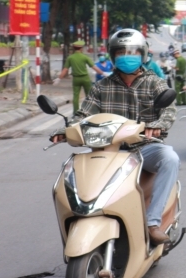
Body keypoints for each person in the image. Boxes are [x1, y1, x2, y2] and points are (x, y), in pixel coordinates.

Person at [51, 29, 178, 245]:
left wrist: (157, 126)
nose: (127, 56)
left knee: (170, 158)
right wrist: (65, 130)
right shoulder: (102, 86)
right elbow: (83, 114)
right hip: (107, 150)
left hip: (144, 147)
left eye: (133, 52)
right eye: (121, 52)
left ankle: (152, 222)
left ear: (143, 54)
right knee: (71, 168)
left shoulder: (154, 83)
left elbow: (169, 110)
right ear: (113, 55)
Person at [55, 40, 110, 113]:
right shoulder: (84, 57)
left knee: (76, 96)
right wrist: (103, 73)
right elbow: (94, 67)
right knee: (89, 95)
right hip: (85, 78)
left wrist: (59, 78)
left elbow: (65, 70)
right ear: (81, 48)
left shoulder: (70, 58)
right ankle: (89, 110)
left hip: (76, 79)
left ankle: (76, 112)